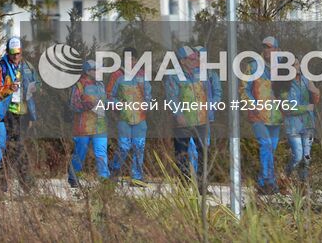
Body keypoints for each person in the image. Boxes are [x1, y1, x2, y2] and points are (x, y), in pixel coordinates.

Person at [0, 36, 38, 192]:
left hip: (22, 113)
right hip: (3, 111)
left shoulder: (29, 67)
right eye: (12, 53)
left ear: (21, 51)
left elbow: (37, 85)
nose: (16, 56)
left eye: (18, 52)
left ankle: (1, 178)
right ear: (7, 52)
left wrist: (35, 89)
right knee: (5, 145)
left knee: (15, 147)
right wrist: (2, 91)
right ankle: (21, 182)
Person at [163, 44, 221, 192]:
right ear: (182, 61)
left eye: (196, 58)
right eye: (192, 58)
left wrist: (209, 111)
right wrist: (178, 114)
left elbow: (208, 95)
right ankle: (184, 184)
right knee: (182, 153)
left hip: (201, 121)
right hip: (183, 122)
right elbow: (172, 98)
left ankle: (202, 185)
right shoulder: (173, 77)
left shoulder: (201, 76)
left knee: (203, 153)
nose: (195, 60)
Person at [106, 47, 152, 187]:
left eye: (133, 59)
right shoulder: (117, 75)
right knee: (124, 147)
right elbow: (108, 96)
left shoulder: (142, 75)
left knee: (139, 147)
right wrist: (119, 105)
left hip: (140, 118)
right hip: (124, 119)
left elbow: (148, 94)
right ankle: (113, 172)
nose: (130, 62)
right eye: (127, 59)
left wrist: (146, 104)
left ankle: (137, 177)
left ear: (137, 60)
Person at [245, 36, 285, 195]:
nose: (268, 50)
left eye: (271, 47)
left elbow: (289, 89)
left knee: (271, 149)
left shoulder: (283, 68)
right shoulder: (253, 66)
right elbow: (244, 89)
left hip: (276, 117)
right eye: (265, 47)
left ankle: (262, 182)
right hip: (258, 116)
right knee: (266, 145)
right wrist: (253, 105)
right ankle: (269, 182)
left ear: (277, 50)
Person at [67, 60, 109, 187]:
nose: (97, 72)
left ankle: (104, 179)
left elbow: (106, 102)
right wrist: (88, 105)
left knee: (101, 152)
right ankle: (73, 177)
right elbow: (73, 104)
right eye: (95, 70)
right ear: (87, 71)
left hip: (100, 125)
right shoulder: (79, 85)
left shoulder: (101, 85)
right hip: (83, 126)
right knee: (80, 152)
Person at [283, 56, 320, 185]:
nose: (295, 67)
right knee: (298, 156)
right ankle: (284, 177)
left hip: (308, 124)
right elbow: (286, 108)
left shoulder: (306, 81)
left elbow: (315, 102)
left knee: (306, 157)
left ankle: (303, 184)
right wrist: (305, 107)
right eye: (292, 65)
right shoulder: (283, 85)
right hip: (293, 126)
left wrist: (315, 92)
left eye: (297, 64)